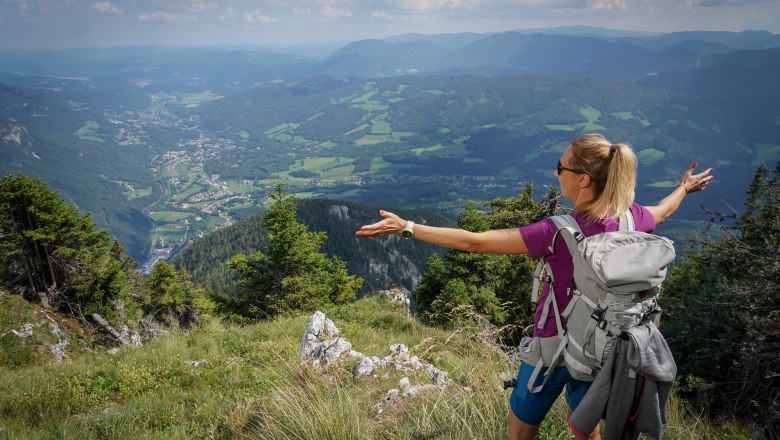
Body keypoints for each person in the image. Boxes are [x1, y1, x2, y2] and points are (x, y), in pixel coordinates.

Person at [355, 133, 714, 440]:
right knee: (585, 428)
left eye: (562, 168)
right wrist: (685, 186)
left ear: (584, 179)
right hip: (600, 350)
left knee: (521, 426)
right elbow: (664, 211)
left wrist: (408, 227)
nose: (556, 174)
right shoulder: (633, 217)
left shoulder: (557, 231)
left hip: (550, 347)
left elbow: (474, 242)